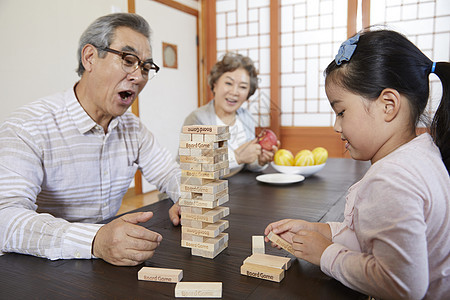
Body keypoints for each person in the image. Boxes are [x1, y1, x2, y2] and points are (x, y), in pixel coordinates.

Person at [265, 29, 450, 299]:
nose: (336, 126)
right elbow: (375, 237)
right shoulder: (421, 152)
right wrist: (321, 230)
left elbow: (404, 286)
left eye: (341, 112)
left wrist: (325, 253)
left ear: (388, 105)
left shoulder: (391, 178)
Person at [0, 13, 183, 266]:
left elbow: (170, 173)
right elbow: (5, 219)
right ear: (90, 58)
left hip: (104, 262)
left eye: (145, 67)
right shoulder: (28, 125)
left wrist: (187, 198)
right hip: (41, 264)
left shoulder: (132, 128)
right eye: (128, 60)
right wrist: (95, 240)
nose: (139, 77)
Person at [168, 53, 279, 225]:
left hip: (237, 194)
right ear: (215, 84)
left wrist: (260, 160)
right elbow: (193, 170)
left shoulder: (246, 117)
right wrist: (238, 156)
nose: (234, 92)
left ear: (248, 92)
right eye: (228, 83)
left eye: (242, 87)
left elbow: (248, 164)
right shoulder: (197, 119)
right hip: (200, 197)